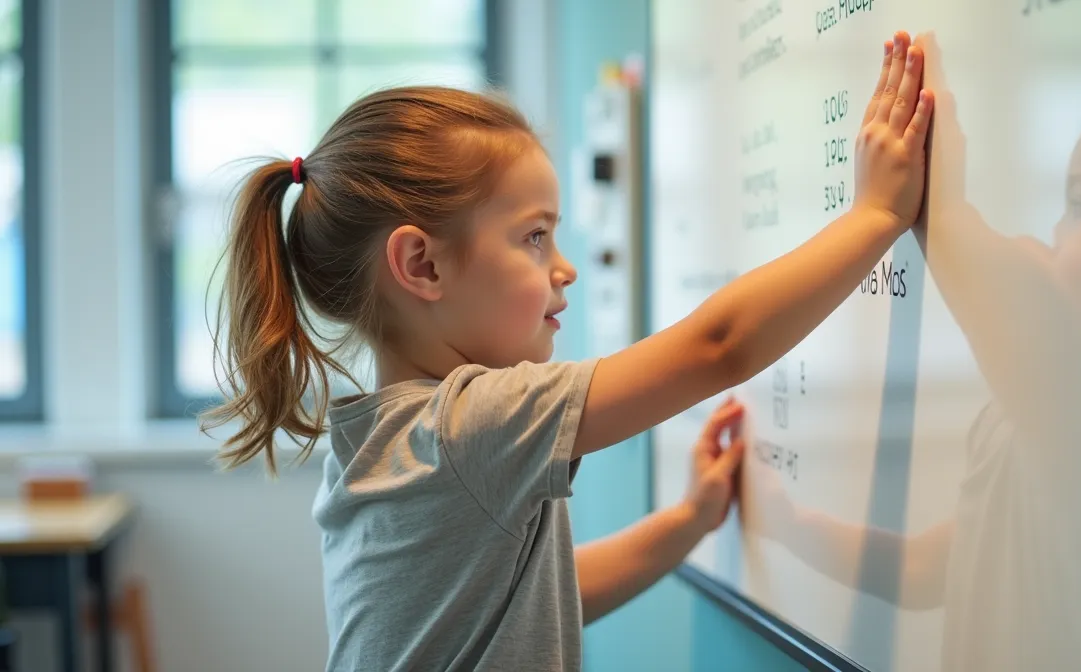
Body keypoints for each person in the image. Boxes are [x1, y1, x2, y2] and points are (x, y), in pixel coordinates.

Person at [200, 30, 934, 671]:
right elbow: (720, 345)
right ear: (421, 265)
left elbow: (542, 598)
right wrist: (874, 215)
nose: (565, 267)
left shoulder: (383, 439)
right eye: (534, 236)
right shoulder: (467, 425)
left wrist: (685, 523)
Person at [750, 35, 1081, 672]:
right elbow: (927, 567)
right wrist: (790, 524)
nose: (1054, 234)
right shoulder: (1035, 420)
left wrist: (938, 198)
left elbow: (1036, 335)